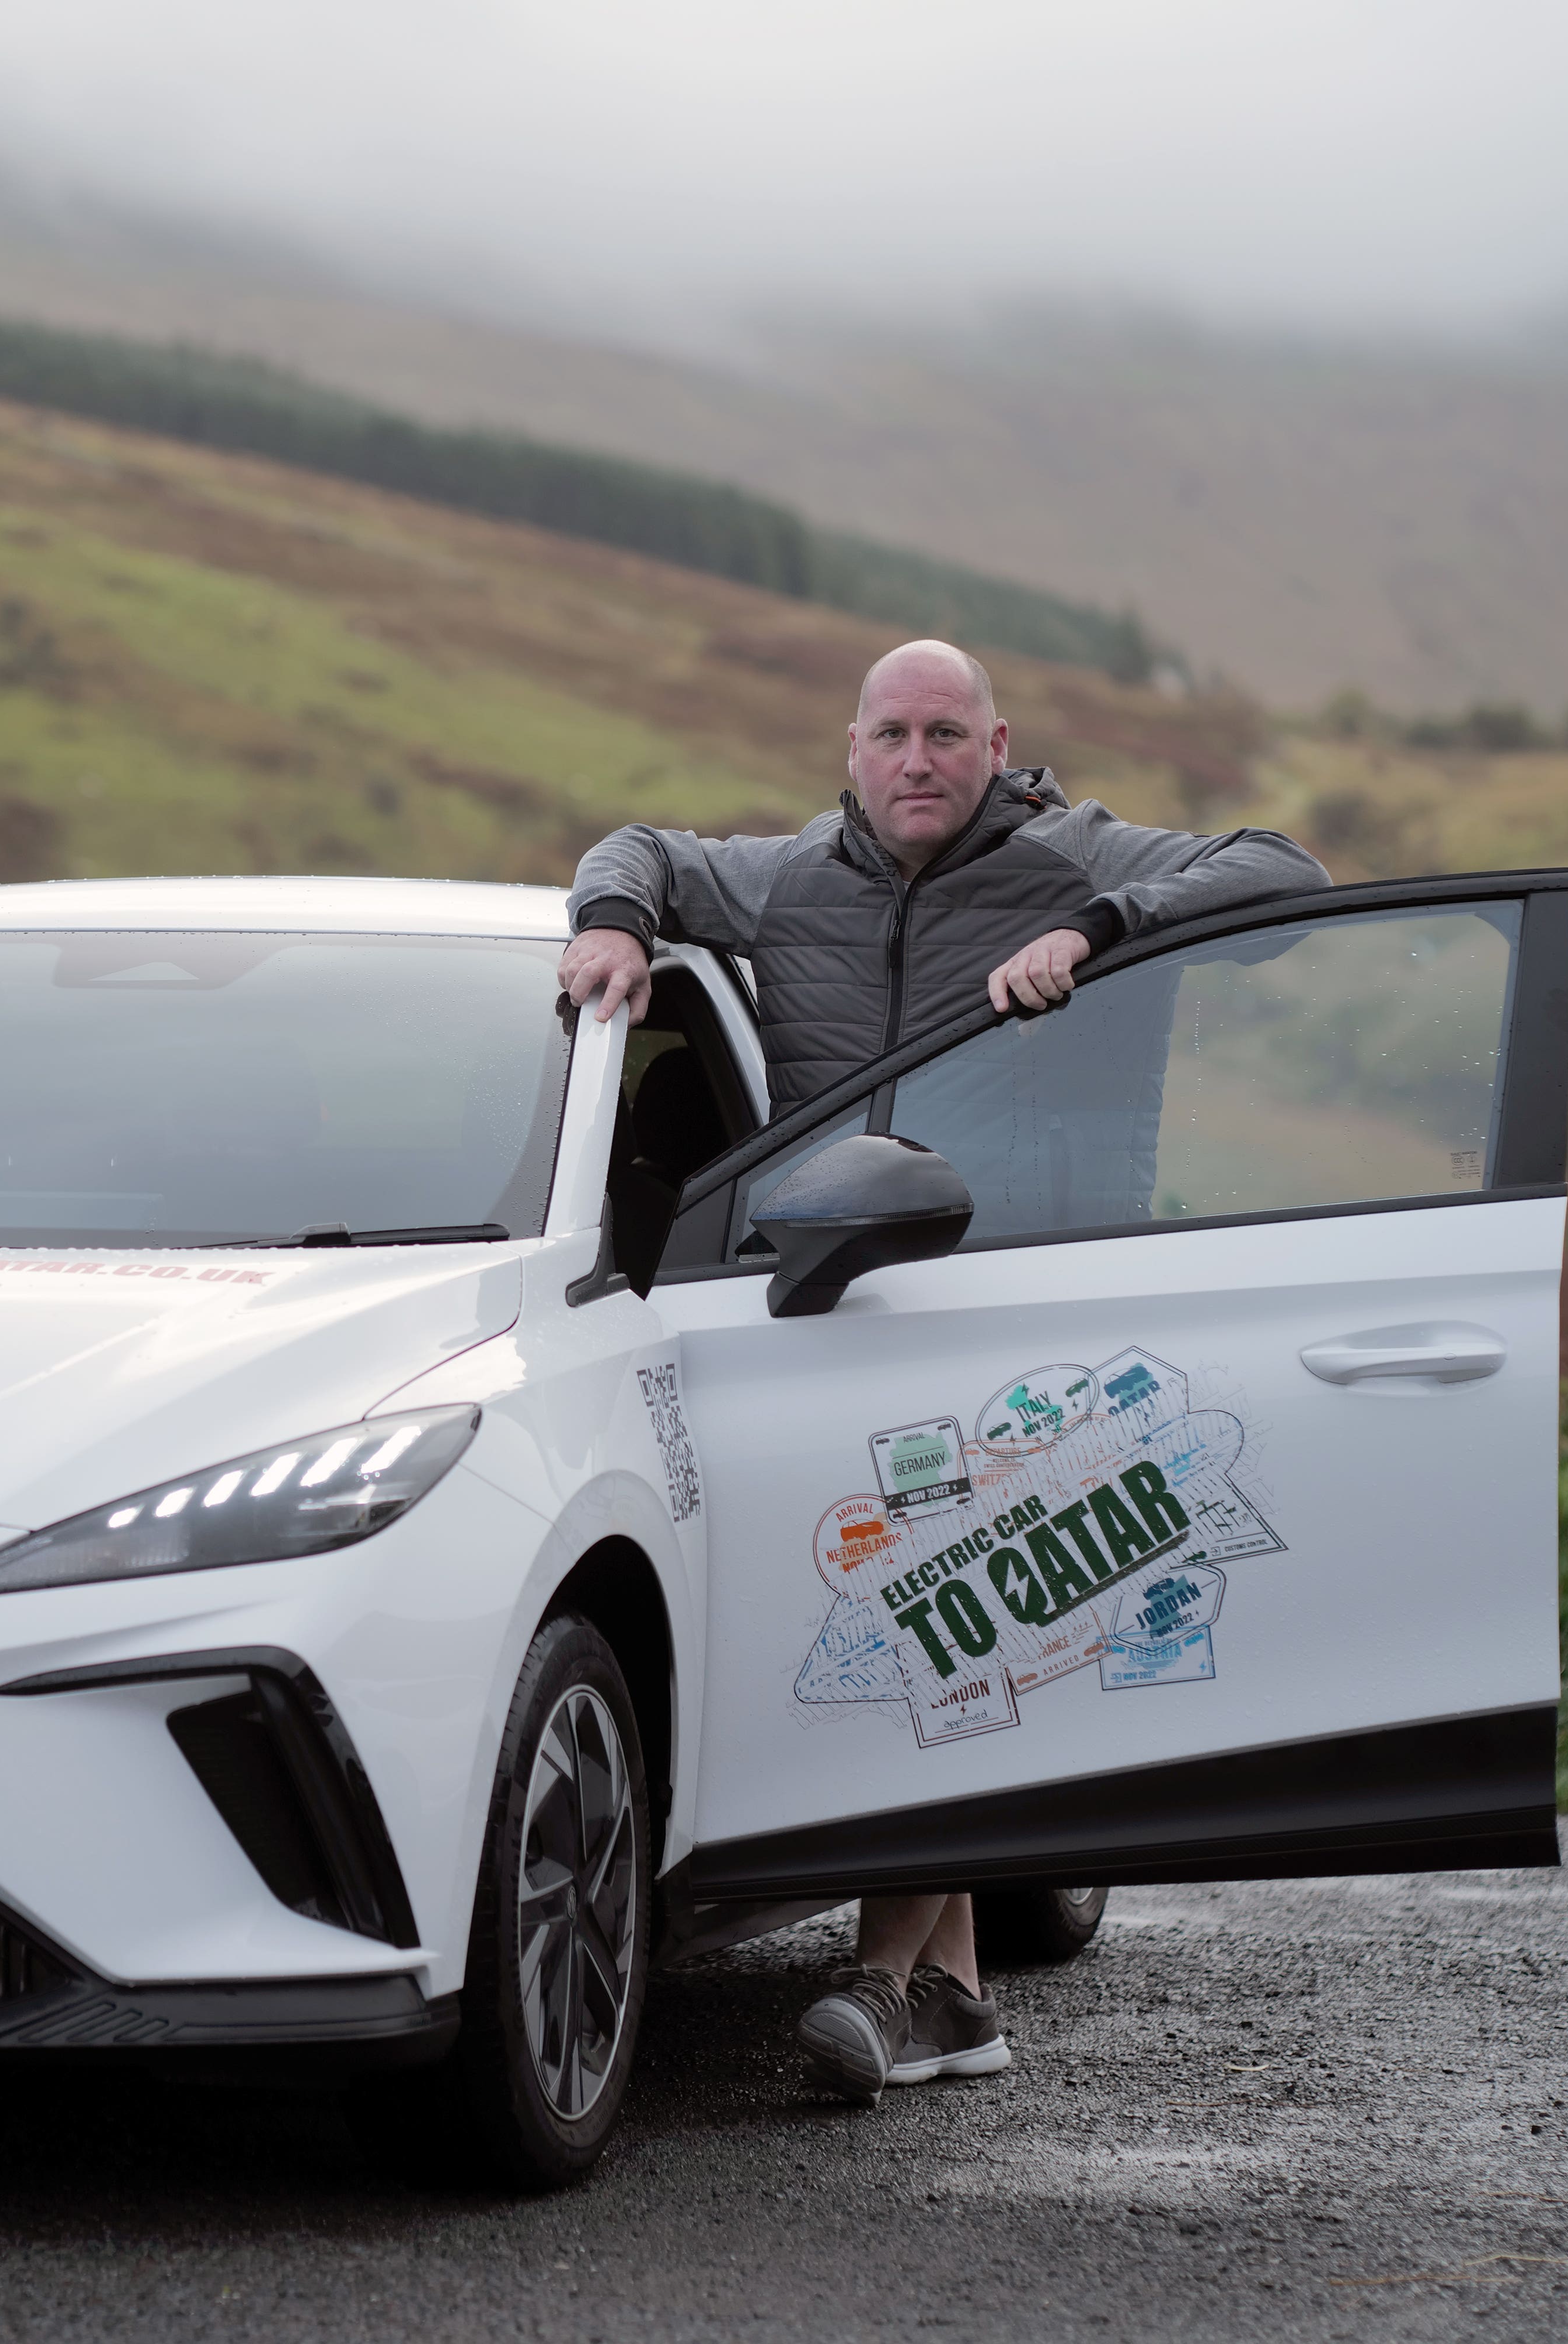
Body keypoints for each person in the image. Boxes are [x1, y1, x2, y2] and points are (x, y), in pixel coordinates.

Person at [559, 637, 1327, 2102]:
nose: (918, 758)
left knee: (950, 1622)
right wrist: (614, 918)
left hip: (1028, 1318)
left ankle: (876, 1968)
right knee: (910, 1619)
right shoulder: (786, 881)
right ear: (852, 748)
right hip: (840, 1316)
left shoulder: (1071, 854)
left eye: (947, 733)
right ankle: (957, 1996)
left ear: (996, 743)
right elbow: (643, 844)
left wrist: (1103, 929)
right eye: (893, 733)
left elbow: (1285, 871)